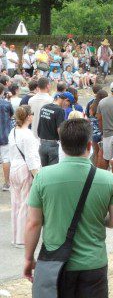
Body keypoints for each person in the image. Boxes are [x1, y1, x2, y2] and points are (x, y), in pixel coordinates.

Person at [23, 119, 113, 296]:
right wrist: (97, 217)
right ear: (89, 145)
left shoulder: (43, 177)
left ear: (61, 146)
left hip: (56, 265)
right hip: (93, 264)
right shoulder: (107, 179)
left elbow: (33, 223)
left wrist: (28, 257)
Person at [8, 105, 40, 247]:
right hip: (25, 169)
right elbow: (31, 158)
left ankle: (16, 237)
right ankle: (22, 239)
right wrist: (37, 175)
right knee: (25, 204)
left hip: (14, 167)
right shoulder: (28, 135)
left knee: (15, 203)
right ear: (28, 116)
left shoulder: (13, 131)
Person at [37, 92, 71, 166]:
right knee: (52, 170)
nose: (67, 106)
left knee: (44, 170)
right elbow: (60, 129)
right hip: (53, 145)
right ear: (66, 100)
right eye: (68, 104)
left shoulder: (44, 107)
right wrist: (64, 143)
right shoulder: (60, 110)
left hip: (42, 143)